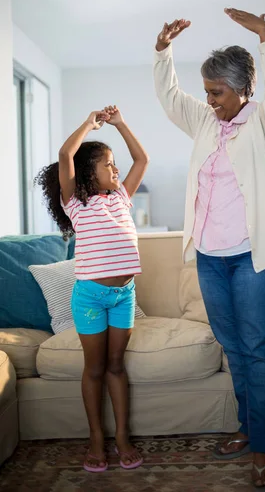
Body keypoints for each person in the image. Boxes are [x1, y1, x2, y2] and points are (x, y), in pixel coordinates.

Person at [153, 9, 265, 490]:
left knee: (258, 350)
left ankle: (264, 448)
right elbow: (172, 99)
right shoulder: (207, 122)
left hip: (257, 256)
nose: (208, 101)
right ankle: (249, 426)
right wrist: (162, 51)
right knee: (234, 348)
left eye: (216, 92)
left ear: (242, 91)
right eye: (207, 91)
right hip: (212, 257)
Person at [35, 105, 149, 473]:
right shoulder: (77, 205)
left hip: (123, 296)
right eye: (108, 164)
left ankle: (122, 438)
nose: (116, 169)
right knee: (95, 368)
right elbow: (66, 154)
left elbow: (141, 158)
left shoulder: (121, 198)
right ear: (88, 173)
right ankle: (96, 438)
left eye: (115, 163)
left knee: (117, 367)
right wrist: (89, 122)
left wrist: (120, 124)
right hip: (90, 297)